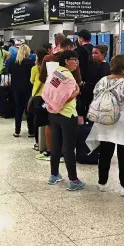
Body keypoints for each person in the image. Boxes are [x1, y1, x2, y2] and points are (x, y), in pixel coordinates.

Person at [86, 54, 124, 197]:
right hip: (123, 121)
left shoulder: (102, 81)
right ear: (123, 69)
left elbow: (95, 97)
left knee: (105, 153)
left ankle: (102, 183)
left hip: (104, 119)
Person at [45, 50, 85, 191]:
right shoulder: (68, 77)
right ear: (66, 61)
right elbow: (66, 97)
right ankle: (73, 180)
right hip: (67, 115)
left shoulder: (55, 72)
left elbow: (49, 91)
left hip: (53, 114)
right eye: (74, 60)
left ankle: (54, 174)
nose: (76, 63)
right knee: (68, 148)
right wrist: (76, 92)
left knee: (56, 146)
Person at [37, 38, 81, 161]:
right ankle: (65, 155)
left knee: (50, 126)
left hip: (50, 101)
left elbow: (41, 78)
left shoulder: (47, 59)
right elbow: (77, 80)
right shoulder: (71, 63)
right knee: (67, 134)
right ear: (68, 48)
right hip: (67, 106)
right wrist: (76, 90)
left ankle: (50, 151)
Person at [10, 44, 35, 137]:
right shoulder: (30, 63)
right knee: (29, 110)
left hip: (16, 89)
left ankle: (17, 130)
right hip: (28, 89)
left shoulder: (14, 63)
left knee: (18, 109)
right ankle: (31, 131)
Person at [80, 44, 111, 115]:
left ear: (103, 54)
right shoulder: (93, 65)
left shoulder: (105, 68)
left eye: (96, 53)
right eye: (92, 53)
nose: (93, 55)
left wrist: (84, 84)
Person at [30, 47, 50, 151]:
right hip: (48, 96)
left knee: (37, 120)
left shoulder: (35, 68)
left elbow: (32, 81)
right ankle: (48, 143)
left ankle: (38, 142)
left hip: (38, 95)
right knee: (47, 119)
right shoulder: (49, 67)